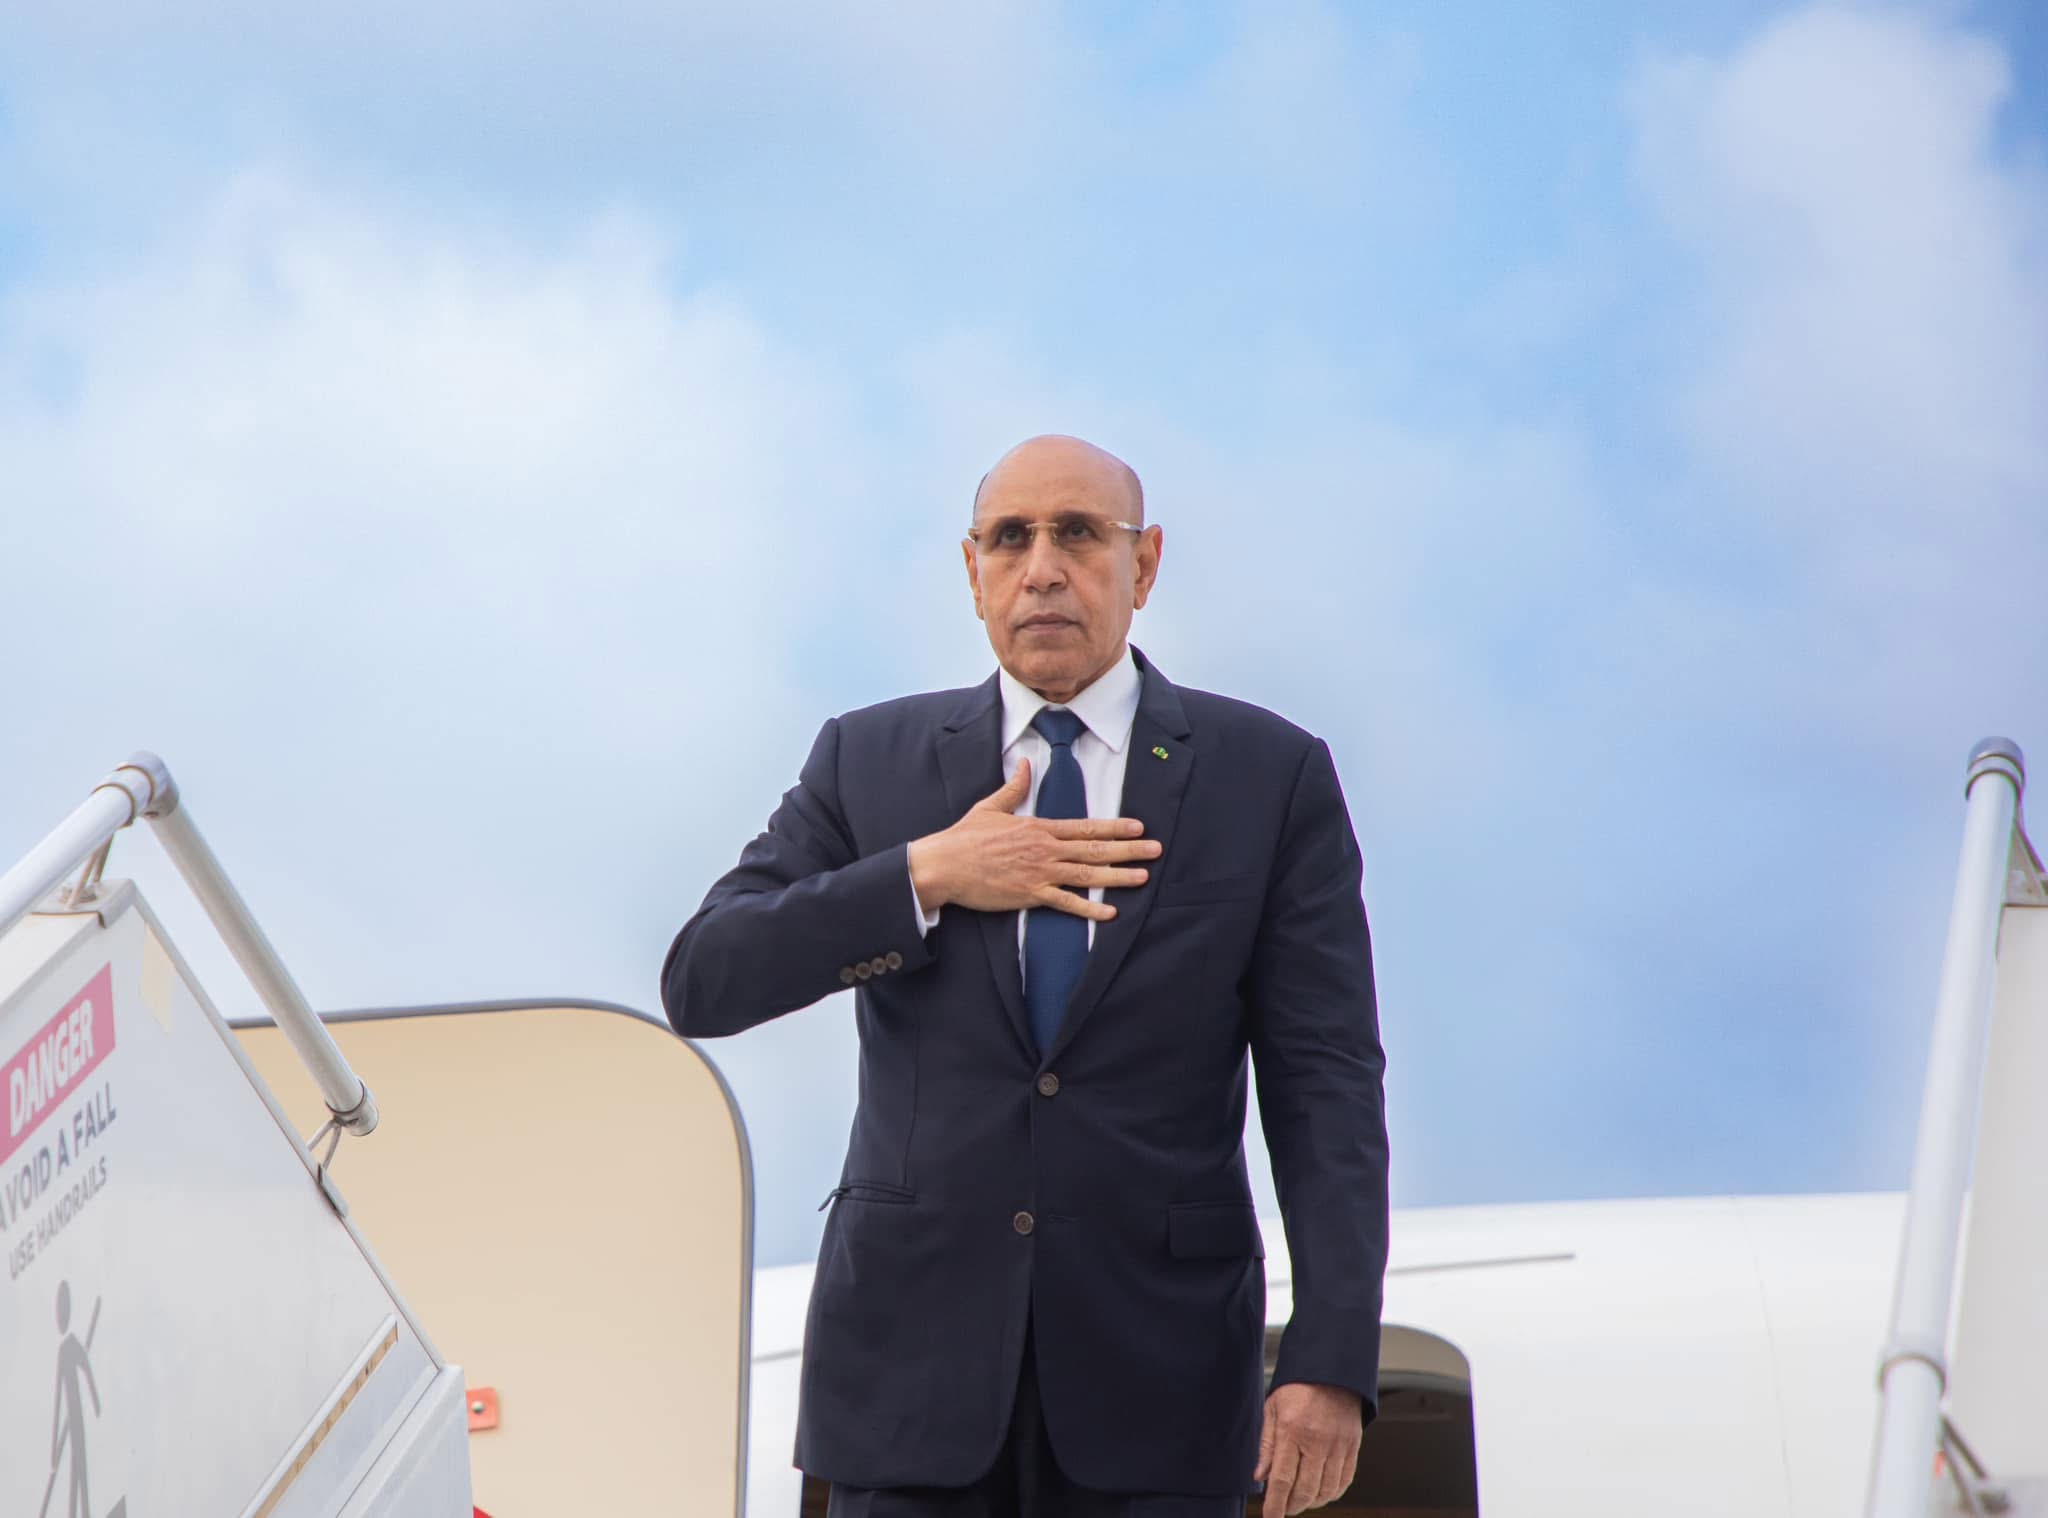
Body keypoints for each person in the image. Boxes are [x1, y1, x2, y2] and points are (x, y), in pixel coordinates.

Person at [663, 435, 1388, 1517]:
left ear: (1143, 565)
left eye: (1078, 535)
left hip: (1163, 1393)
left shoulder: (1268, 776)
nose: (1041, 568)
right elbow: (703, 979)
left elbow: (1325, 1083)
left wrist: (1330, 1356)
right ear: (973, 572)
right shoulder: (867, 760)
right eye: (1010, 539)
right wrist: (925, 874)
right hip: (908, 1394)